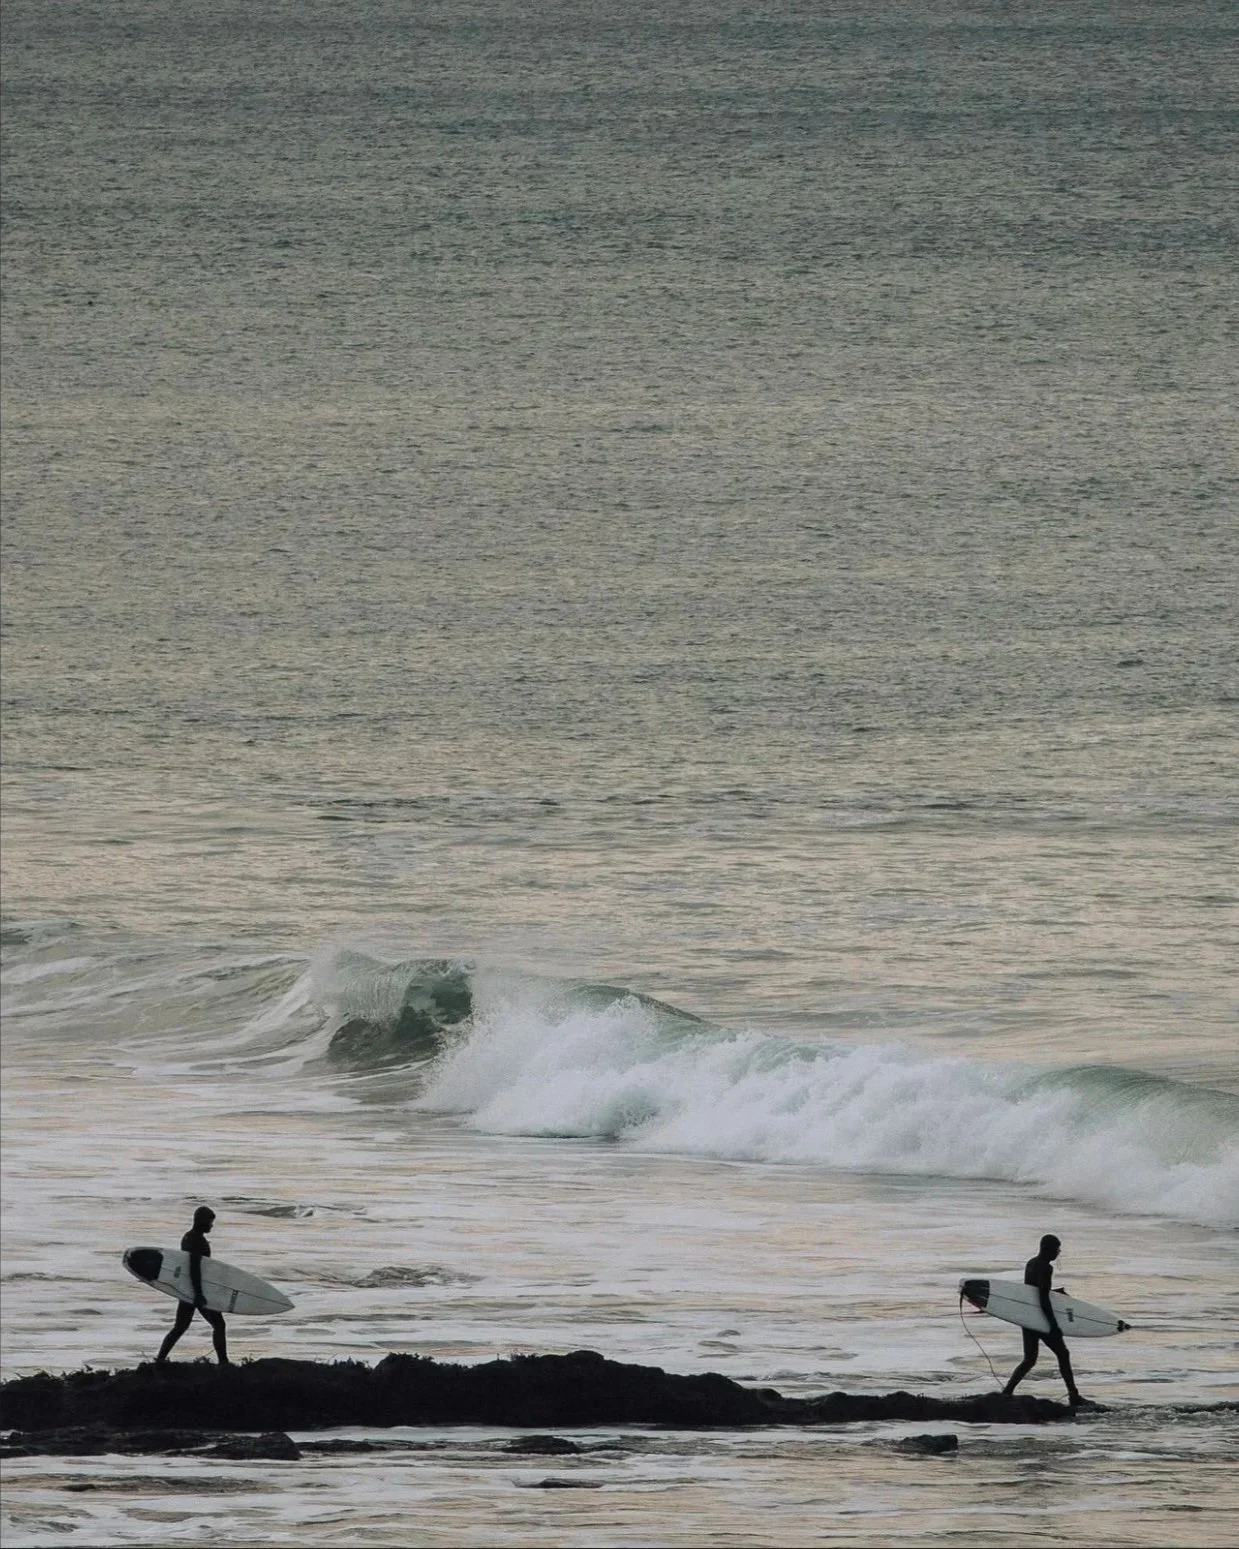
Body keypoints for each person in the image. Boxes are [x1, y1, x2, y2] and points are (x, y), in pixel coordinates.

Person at [1002, 1233, 1087, 1406]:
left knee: (1029, 1359)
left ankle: (1007, 1392)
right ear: (1049, 1250)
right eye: (1057, 1249)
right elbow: (1042, 1297)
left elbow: (1034, 1291)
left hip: (1028, 1316)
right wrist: (1052, 1324)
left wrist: (1055, 1293)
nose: (1058, 1252)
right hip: (1041, 1319)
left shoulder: (1031, 1263)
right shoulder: (1046, 1268)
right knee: (1063, 1354)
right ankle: (1073, 1395)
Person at [155, 1206, 229, 1365]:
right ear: (202, 1221)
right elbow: (194, 1268)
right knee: (219, 1324)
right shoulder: (197, 1241)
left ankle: (160, 1359)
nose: (211, 1226)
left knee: (180, 1326)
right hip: (197, 1289)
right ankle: (224, 1362)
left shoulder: (188, 1237)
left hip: (187, 1289)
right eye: (210, 1222)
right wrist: (199, 1294)